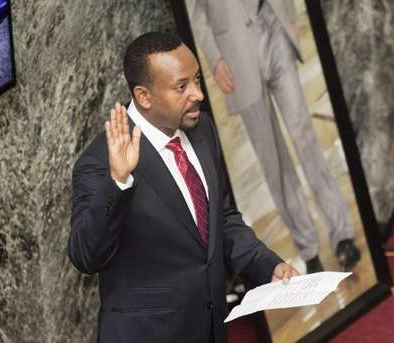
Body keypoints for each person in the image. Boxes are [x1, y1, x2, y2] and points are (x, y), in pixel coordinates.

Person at [68, 32, 298, 343]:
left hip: (213, 327)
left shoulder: (203, 129)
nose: (199, 94)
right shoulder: (100, 163)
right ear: (144, 96)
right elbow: (85, 255)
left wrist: (266, 265)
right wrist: (119, 182)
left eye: (198, 80)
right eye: (182, 87)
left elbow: (223, 219)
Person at [190, 0, 360, 273]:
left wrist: (289, 13)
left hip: (274, 26)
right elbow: (197, 14)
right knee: (272, 158)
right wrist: (214, 57)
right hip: (236, 54)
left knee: (304, 134)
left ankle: (342, 235)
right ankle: (308, 249)